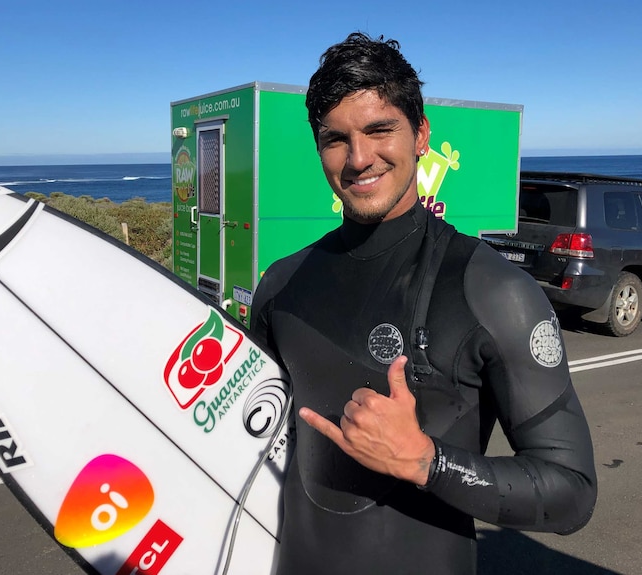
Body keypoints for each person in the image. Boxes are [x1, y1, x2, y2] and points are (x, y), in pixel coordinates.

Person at [251, 32, 597, 575]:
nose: (359, 158)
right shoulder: (280, 285)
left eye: (379, 129)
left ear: (420, 135)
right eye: (335, 139)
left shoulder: (492, 290)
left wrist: (424, 462)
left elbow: (571, 490)